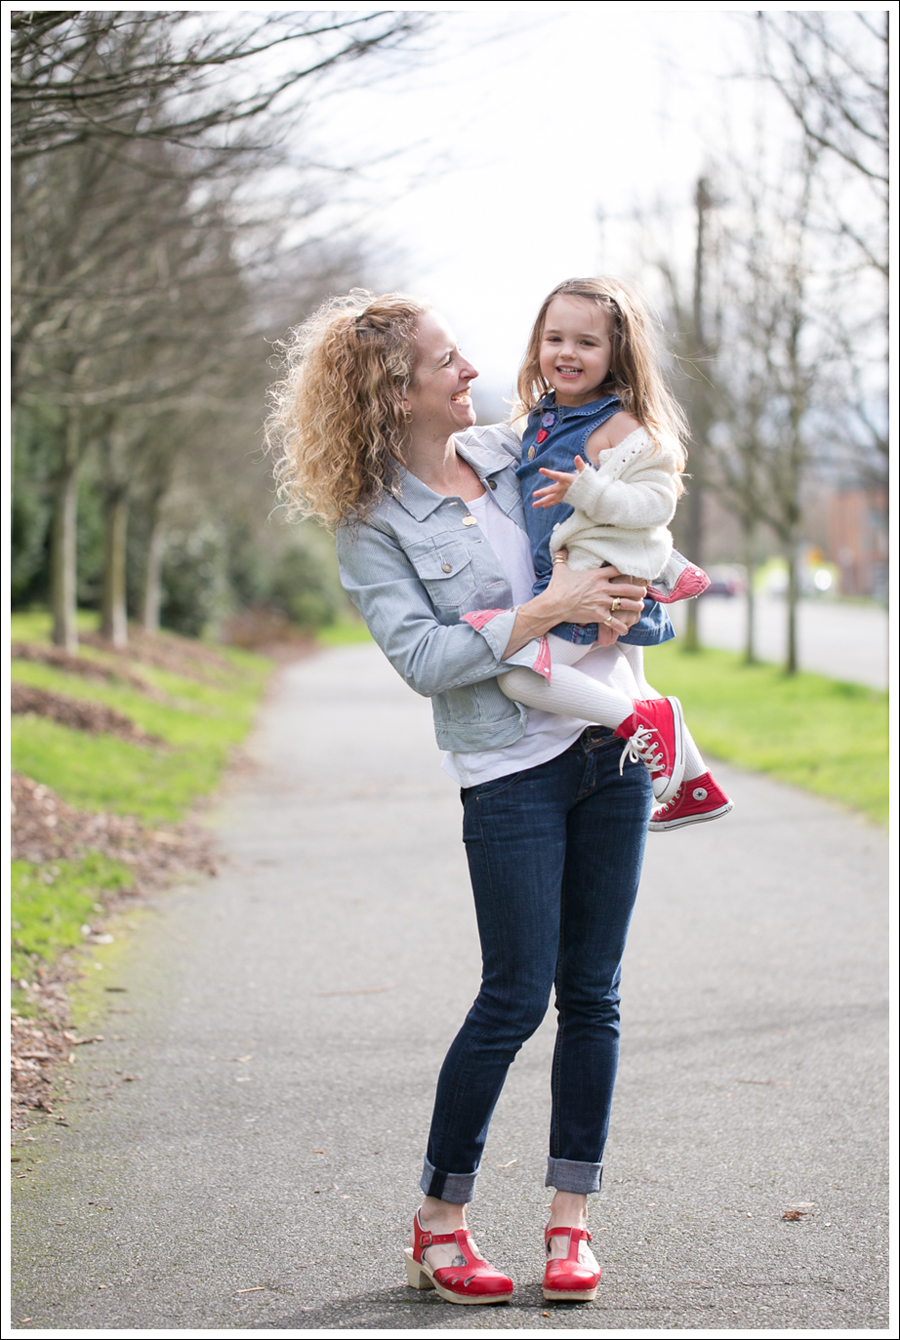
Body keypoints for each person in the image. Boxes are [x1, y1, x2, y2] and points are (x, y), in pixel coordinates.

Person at [267, 289, 656, 1306]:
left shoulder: (513, 450)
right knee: (515, 995)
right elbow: (425, 660)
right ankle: (439, 1222)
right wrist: (546, 609)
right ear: (396, 394)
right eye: (446, 360)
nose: (472, 368)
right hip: (508, 768)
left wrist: (627, 592)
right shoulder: (372, 525)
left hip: (610, 744)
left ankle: (571, 1223)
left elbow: (624, 499)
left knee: (595, 993)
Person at [484, 277, 732, 831]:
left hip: (593, 582)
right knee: (636, 685)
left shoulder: (621, 427)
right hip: (579, 576)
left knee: (518, 677)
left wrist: (589, 491)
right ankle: (697, 786)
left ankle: (640, 725)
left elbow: (657, 502)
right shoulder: (543, 417)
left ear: (617, 352)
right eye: (554, 339)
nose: (567, 353)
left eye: (586, 343)